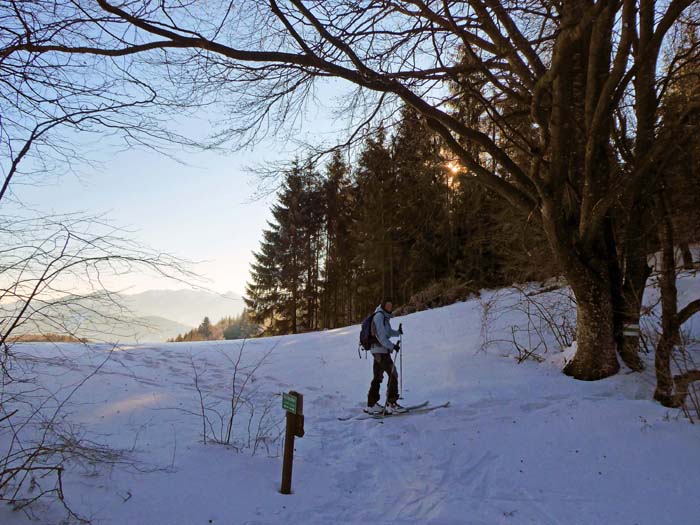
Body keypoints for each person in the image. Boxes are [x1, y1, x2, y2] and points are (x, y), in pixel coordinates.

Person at [366, 300, 404, 414]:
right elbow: (381, 336)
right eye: (387, 305)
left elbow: (387, 332)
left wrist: (397, 332)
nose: (389, 307)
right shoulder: (379, 316)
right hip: (380, 350)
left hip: (379, 350)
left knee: (378, 377)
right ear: (383, 306)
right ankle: (391, 404)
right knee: (393, 374)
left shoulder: (384, 317)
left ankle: (371, 405)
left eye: (391, 305)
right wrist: (392, 346)